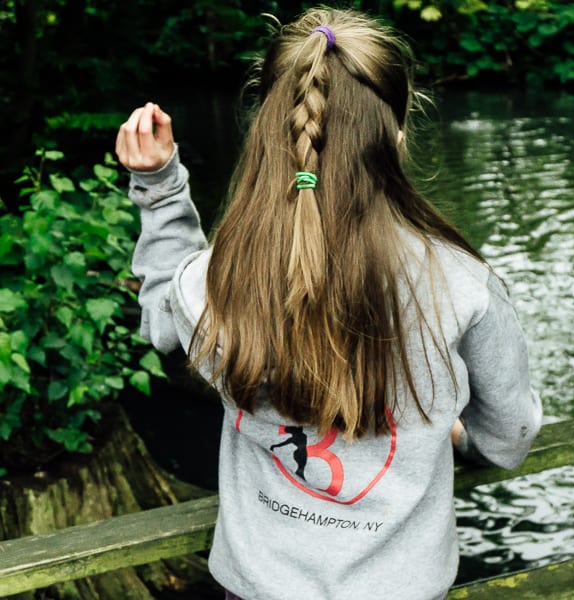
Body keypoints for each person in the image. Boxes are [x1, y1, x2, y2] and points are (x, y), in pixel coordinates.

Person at [117, 8, 541, 600]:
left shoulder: (218, 278)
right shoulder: (461, 282)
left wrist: (161, 189)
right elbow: (510, 436)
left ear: (270, 132)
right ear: (395, 136)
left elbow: (164, 318)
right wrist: (460, 439)